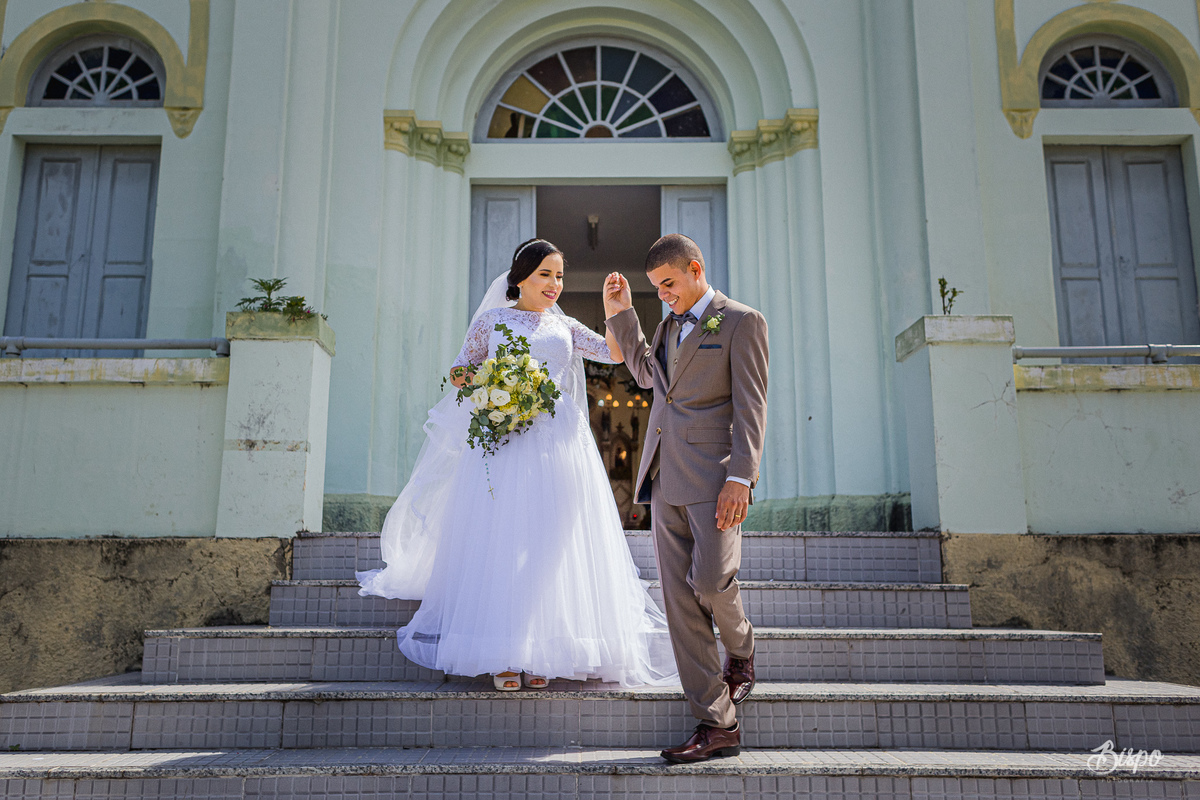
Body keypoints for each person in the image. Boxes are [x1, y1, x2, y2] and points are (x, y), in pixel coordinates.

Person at [358, 238, 676, 692]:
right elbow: (459, 371)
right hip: (506, 444)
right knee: (505, 542)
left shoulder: (564, 326)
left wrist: (614, 309)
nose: (554, 284)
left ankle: (542, 649)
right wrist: (494, 386)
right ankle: (504, 653)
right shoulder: (490, 322)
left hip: (561, 445)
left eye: (560, 276)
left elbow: (614, 353)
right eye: (545, 274)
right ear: (521, 276)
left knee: (549, 545)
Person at [603, 233, 768, 763]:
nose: (665, 296)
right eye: (657, 290)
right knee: (679, 606)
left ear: (695, 269)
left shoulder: (742, 321)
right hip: (664, 476)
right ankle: (717, 723)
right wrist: (623, 316)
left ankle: (740, 648)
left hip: (716, 479)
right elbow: (653, 378)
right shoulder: (665, 325)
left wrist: (741, 478)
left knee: (711, 580)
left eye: (669, 285)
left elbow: (751, 406)